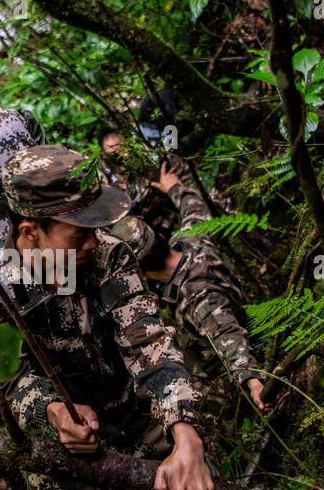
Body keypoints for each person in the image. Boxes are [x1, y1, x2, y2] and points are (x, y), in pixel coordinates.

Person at [0, 144, 215, 490]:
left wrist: (185, 432)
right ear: (30, 230)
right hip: (53, 437)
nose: (94, 241)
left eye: (95, 228)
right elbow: (8, 380)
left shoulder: (108, 256)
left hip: (130, 405)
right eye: (79, 234)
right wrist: (54, 413)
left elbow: (147, 341)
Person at [111, 161, 267, 414]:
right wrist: (175, 188)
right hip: (244, 311)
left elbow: (227, 335)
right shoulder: (190, 239)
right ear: (158, 237)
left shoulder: (194, 297)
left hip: (228, 368)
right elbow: (195, 208)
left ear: (142, 272)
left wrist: (253, 382)